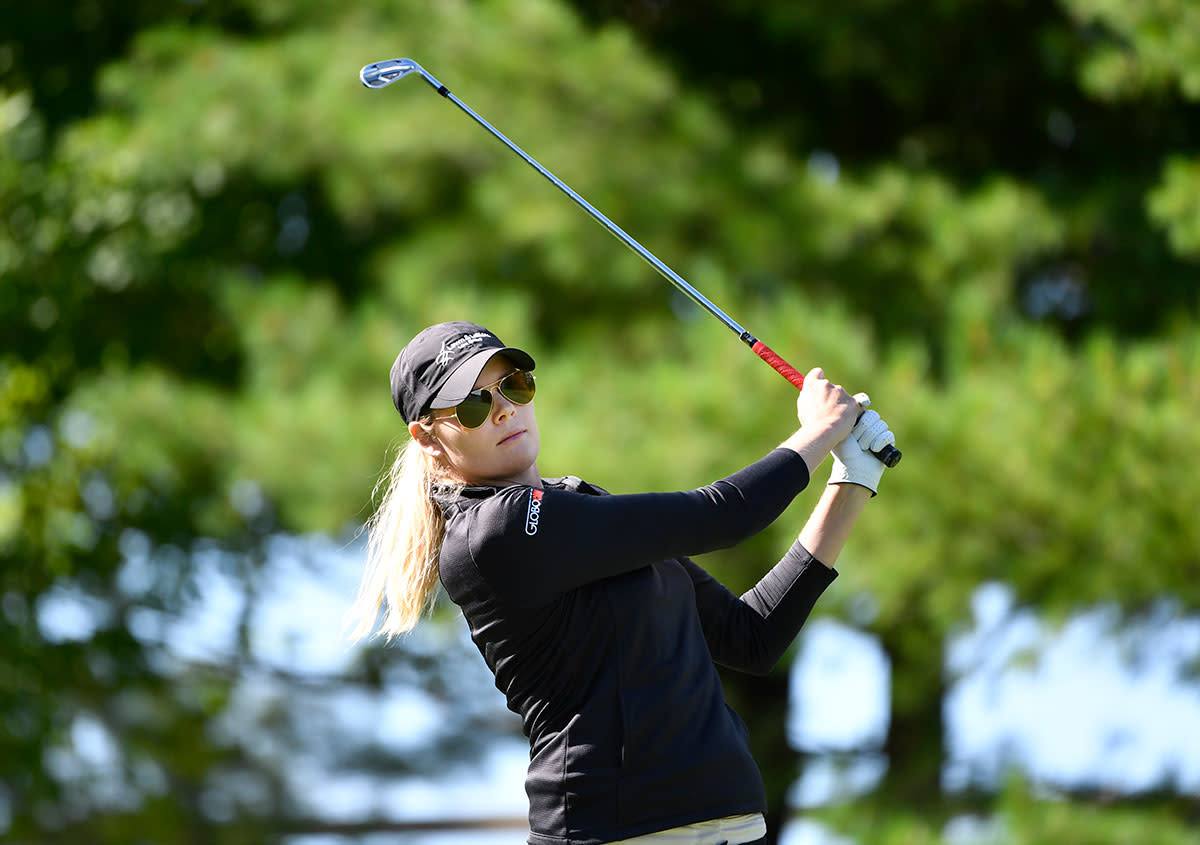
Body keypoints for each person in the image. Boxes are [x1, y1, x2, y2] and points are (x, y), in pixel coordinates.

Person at [346, 321, 896, 845]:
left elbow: (750, 635)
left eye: (513, 385)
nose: (503, 411)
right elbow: (722, 516)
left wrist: (851, 480)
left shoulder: (579, 505)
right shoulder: (496, 532)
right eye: (472, 403)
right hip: (619, 830)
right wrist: (819, 431)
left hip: (732, 823)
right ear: (427, 438)